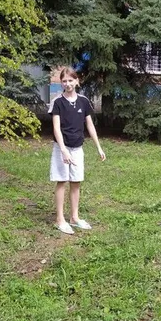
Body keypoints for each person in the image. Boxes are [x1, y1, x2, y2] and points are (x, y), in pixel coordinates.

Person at [49, 67, 105, 234]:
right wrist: (63, 150)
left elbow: (90, 125)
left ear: (77, 81)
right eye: (64, 81)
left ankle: (74, 217)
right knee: (62, 181)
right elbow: (56, 128)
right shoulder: (57, 102)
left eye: (70, 80)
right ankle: (60, 219)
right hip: (62, 148)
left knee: (76, 182)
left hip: (78, 148)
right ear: (61, 83)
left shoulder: (83, 101)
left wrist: (98, 147)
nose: (68, 84)